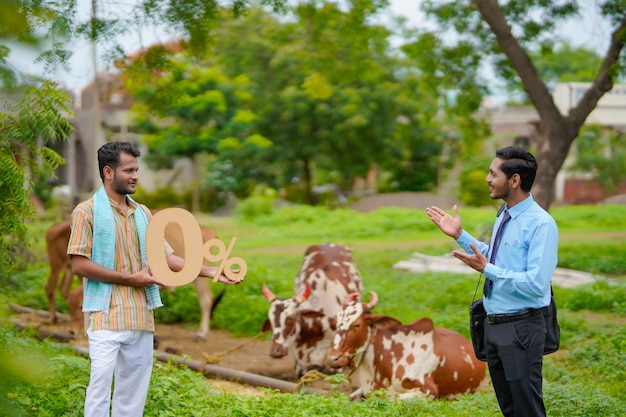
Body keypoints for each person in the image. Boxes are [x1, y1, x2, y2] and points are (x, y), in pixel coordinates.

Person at [68, 141, 240, 417]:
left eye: (136, 169)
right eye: (128, 170)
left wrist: (213, 271)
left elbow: (166, 258)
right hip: (105, 316)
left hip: (141, 318)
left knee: (133, 397)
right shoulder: (86, 212)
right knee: (99, 390)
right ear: (108, 173)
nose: (135, 175)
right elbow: (79, 264)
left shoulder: (144, 214)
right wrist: (129, 279)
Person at [425, 145, 558, 417]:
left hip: (522, 327)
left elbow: (536, 283)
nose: (487, 179)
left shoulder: (541, 224)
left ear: (514, 180)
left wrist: (488, 270)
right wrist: (461, 236)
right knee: (509, 408)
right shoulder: (504, 215)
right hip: (495, 325)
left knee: (527, 408)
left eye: (492, 173)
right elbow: (496, 260)